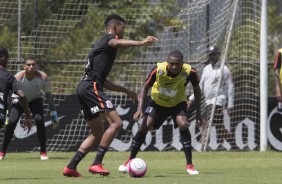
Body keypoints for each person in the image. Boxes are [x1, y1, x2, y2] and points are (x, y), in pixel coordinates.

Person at [62, 14, 158, 177]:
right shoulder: (109, 38)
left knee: (97, 133)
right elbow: (116, 42)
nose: (124, 31)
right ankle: (97, 163)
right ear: (114, 28)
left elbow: (104, 82)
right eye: (123, 28)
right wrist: (141, 42)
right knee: (117, 123)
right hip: (91, 87)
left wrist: (126, 91)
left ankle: (71, 167)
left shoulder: (101, 46)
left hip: (84, 87)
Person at [118, 50, 203, 175]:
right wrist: (139, 109)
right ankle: (129, 161)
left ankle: (190, 165)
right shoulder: (158, 70)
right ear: (167, 62)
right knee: (144, 126)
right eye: (171, 63)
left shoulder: (190, 72)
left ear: (182, 63)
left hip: (177, 103)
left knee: (183, 124)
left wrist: (199, 113)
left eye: (177, 64)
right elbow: (145, 87)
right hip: (158, 103)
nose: (174, 66)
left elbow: (197, 90)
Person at [0, 56, 59, 160]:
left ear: (36, 66)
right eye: (28, 64)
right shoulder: (18, 77)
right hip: (19, 100)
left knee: (39, 119)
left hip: (35, 100)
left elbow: (48, 96)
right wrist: (7, 112)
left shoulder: (43, 77)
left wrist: (53, 112)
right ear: (24, 67)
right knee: (12, 122)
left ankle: (43, 152)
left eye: (33, 64)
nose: (31, 66)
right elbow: (7, 93)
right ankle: (2, 152)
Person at [188, 46, 234, 149]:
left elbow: (230, 86)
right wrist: (191, 98)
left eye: (214, 54)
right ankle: (233, 143)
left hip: (218, 101)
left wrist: (230, 104)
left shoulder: (224, 69)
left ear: (218, 54)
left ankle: (202, 144)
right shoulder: (206, 69)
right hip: (208, 101)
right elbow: (200, 85)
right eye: (210, 55)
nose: (212, 56)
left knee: (204, 121)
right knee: (219, 126)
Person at [0, 46, 31, 133]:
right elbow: (22, 95)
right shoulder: (8, 76)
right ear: (3, 58)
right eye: (7, 59)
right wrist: (28, 116)